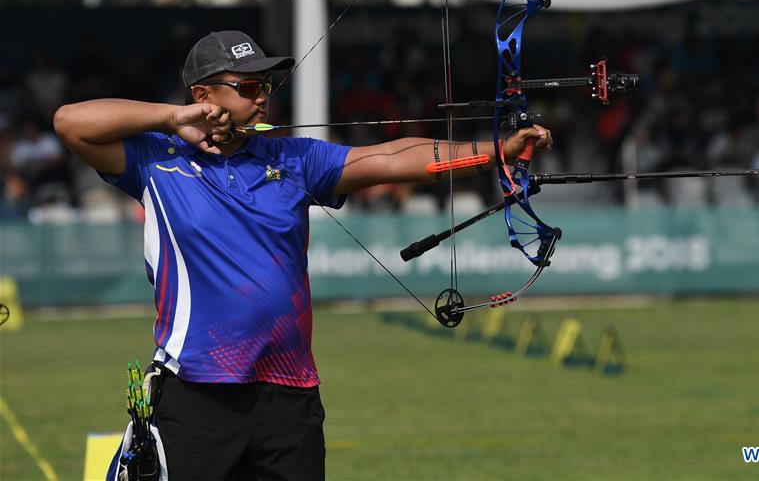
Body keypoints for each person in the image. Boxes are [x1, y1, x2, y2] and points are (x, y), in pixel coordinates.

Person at [53, 30, 552, 480]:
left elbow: (389, 159)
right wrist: (172, 118)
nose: (263, 97)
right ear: (203, 96)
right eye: (249, 86)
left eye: (267, 85)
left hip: (289, 396)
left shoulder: (293, 159)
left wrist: (496, 151)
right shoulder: (156, 161)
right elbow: (69, 123)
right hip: (196, 389)